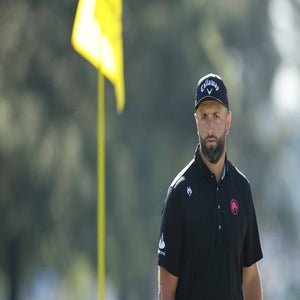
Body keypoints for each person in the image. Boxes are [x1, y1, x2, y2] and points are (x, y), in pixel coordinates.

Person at [157, 73, 263, 300]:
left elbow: (250, 275)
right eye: (204, 116)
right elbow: (167, 288)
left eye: (216, 115)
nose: (210, 125)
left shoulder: (242, 190)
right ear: (196, 121)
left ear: (228, 121)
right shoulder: (179, 194)